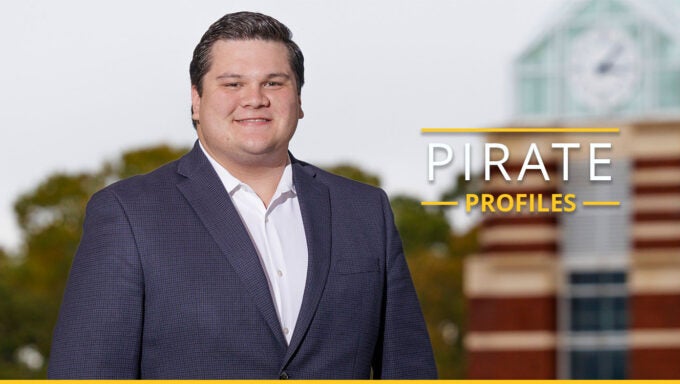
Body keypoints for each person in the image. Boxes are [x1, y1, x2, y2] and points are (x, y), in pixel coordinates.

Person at [48, 11, 436, 379]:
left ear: (299, 100)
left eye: (274, 82)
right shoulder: (127, 214)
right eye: (233, 84)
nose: (255, 98)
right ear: (196, 100)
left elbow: (408, 369)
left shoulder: (365, 211)